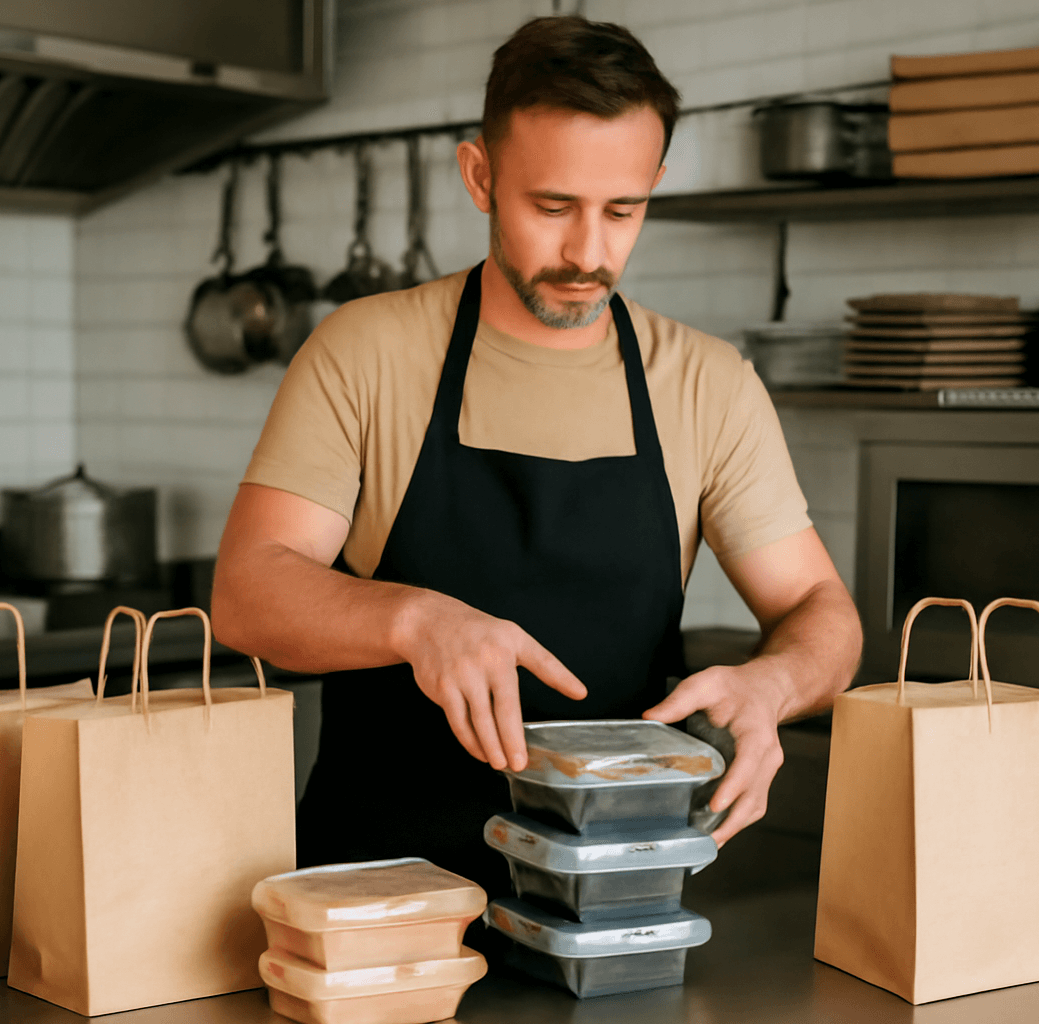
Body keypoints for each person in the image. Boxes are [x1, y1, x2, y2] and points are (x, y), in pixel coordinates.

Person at [211, 15, 862, 895]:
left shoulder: (707, 384)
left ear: (654, 186)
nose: (589, 254)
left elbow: (823, 610)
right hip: (379, 899)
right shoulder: (364, 351)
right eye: (552, 207)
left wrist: (773, 686)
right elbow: (247, 594)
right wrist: (416, 621)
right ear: (480, 176)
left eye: (622, 210)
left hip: (610, 900)